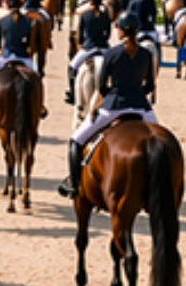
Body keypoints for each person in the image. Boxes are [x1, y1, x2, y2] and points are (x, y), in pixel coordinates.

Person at [60, 12, 158, 198]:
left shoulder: (112, 53)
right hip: (141, 107)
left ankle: (74, 185)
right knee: (161, 142)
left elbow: (102, 86)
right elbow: (150, 86)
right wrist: (136, 94)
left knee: (76, 141)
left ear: (121, 31)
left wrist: (111, 97)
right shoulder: (146, 54)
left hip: (113, 106)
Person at [66, 0, 114, 105]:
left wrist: (82, 44)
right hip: (104, 49)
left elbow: (80, 37)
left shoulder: (84, 15)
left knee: (72, 67)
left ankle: (72, 94)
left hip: (88, 48)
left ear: (90, 0)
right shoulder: (105, 15)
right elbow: (108, 34)